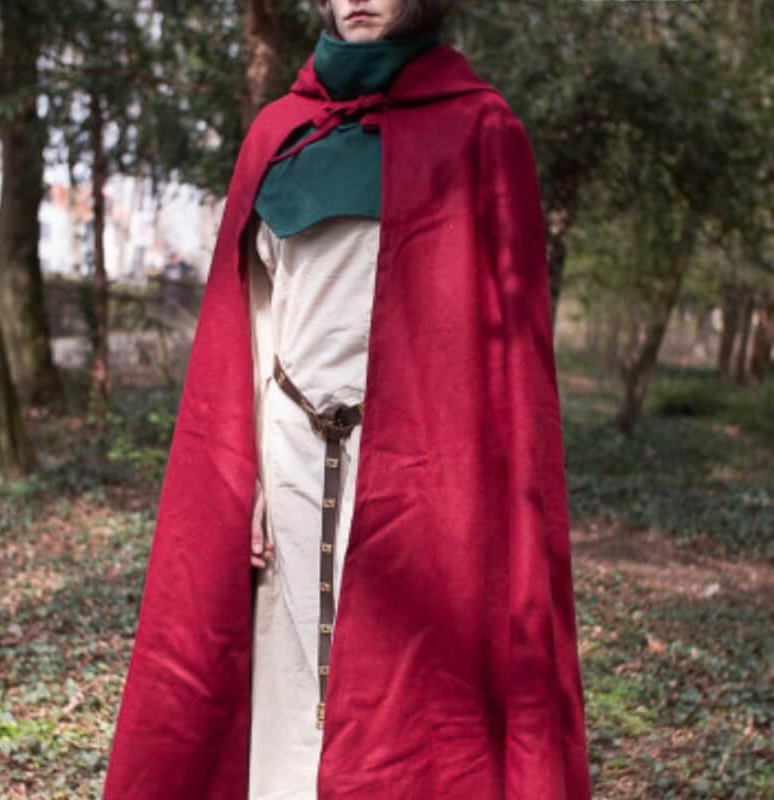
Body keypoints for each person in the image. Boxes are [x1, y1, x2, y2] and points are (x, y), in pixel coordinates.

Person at [102, 2, 592, 798]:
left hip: (425, 469)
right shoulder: (277, 134)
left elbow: (505, 358)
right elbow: (252, 316)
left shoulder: (483, 130)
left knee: (410, 707)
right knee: (286, 690)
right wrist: (245, 471)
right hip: (288, 455)